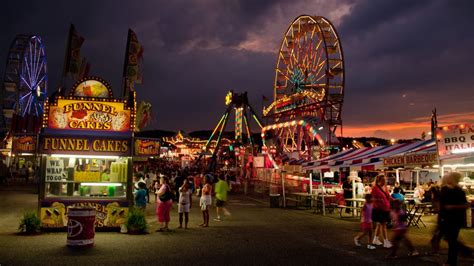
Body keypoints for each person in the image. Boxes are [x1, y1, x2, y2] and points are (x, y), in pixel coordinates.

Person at [435, 172, 472, 265]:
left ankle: (454, 259)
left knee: (451, 240)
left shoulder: (450, 190)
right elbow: (465, 204)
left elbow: (464, 204)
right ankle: (463, 252)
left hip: (449, 218)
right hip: (453, 218)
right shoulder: (456, 190)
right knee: (450, 238)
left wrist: (452, 207)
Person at [371, 174, 392, 248]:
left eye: (385, 180)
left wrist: (394, 201)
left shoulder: (385, 187)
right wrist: (379, 201)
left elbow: (388, 196)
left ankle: (375, 239)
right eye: (384, 180)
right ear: (379, 180)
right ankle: (386, 241)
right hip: (379, 209)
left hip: (386, 208)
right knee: (383, 225)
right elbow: (373, 199)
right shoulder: (375, 188)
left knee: (379, 224)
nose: (385, 181)